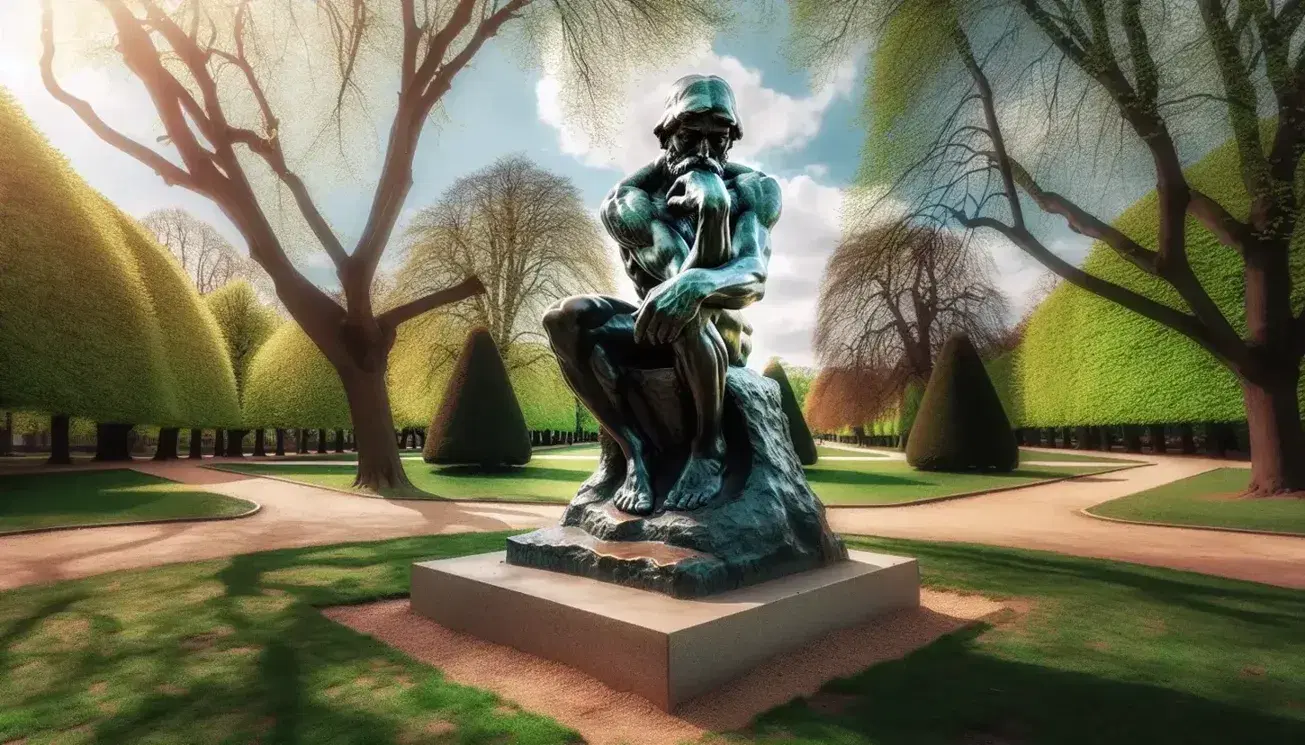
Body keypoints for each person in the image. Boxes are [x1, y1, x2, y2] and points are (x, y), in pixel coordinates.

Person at [542, 74, 782, 515]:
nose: (706, 152)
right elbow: (673, 272)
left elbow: (753, 277)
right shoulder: (630, 201)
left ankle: (708, 450)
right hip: (658, 327)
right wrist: (709, 221)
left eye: (719, 139)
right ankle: (635, 452)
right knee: (563, 318)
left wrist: (714, 207)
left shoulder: (754, 190)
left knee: (689, 307)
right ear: (666, 136)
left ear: (732, 140)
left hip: (724, 337)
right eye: (691, 137)